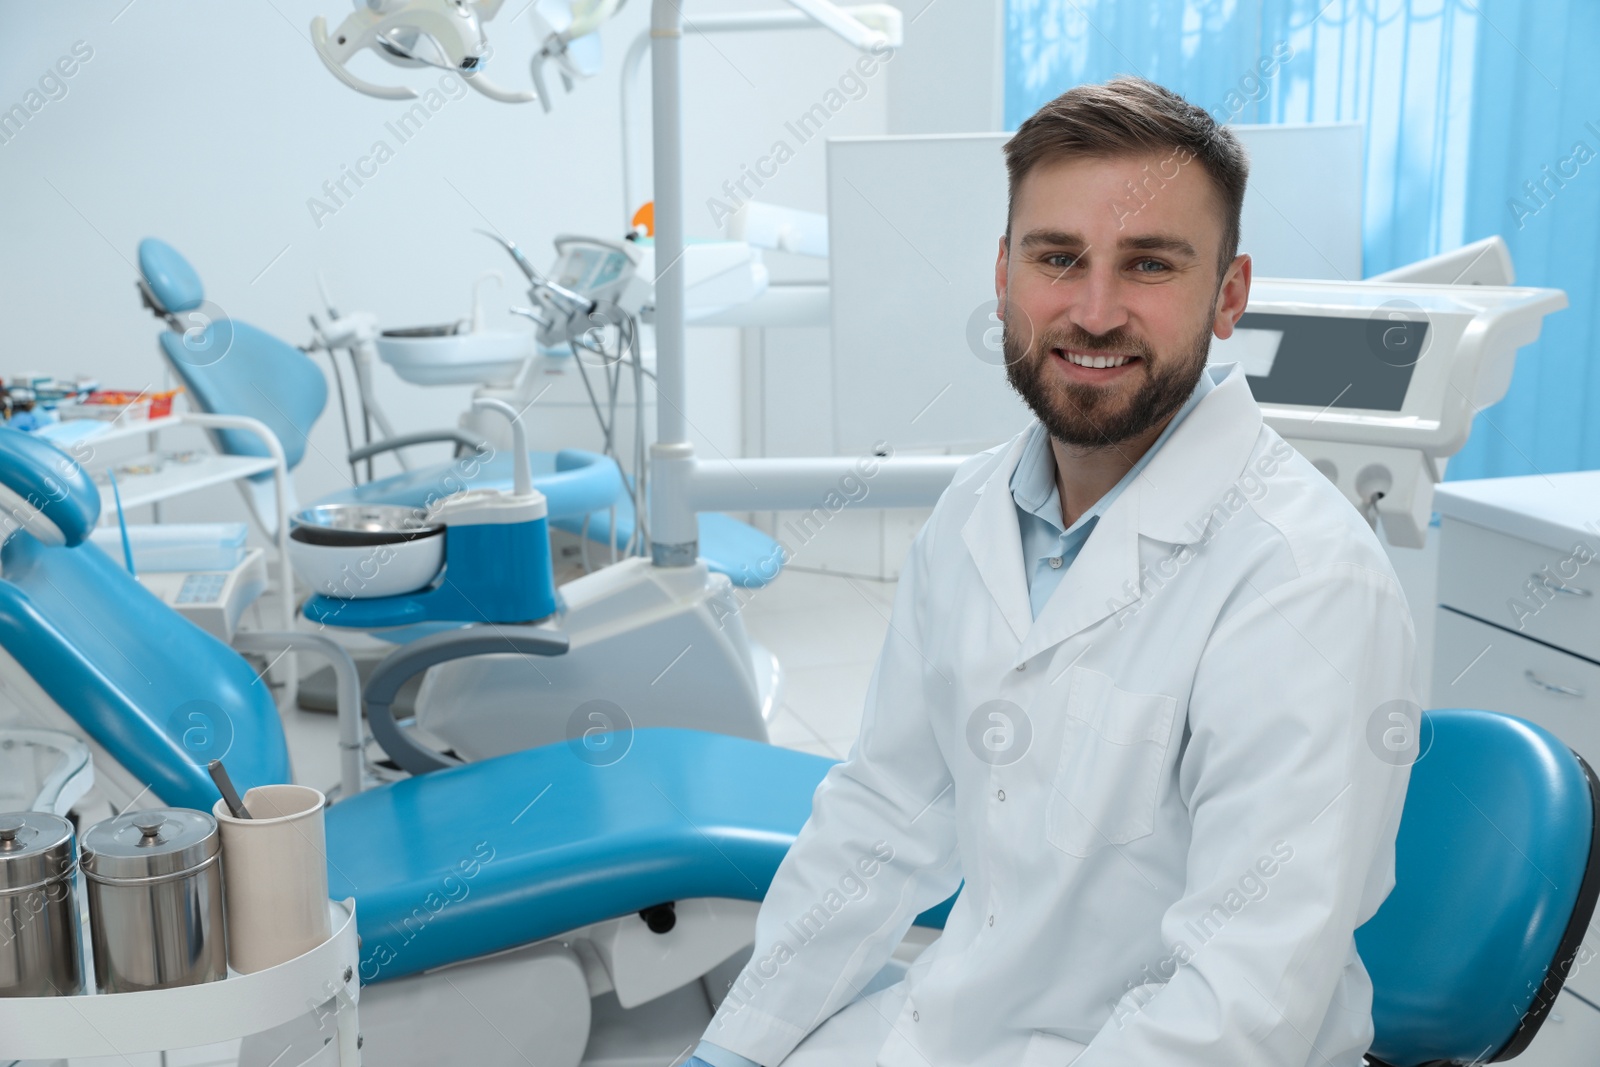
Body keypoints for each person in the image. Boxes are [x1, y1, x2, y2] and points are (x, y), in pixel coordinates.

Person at [688, 75, 1416, 1067]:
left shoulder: (1302, 578)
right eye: (1056, 257)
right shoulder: (975, 512)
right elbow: (882, 812)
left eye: (1150, 264)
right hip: (958, 1022)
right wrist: (736, 1044)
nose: (1094, 308)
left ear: (1229, 293)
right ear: (1003, 276)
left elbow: (1240, 1002)